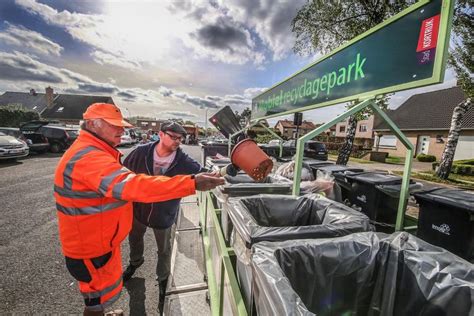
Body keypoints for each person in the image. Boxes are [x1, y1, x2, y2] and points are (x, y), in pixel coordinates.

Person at [53, 103, 224, 316]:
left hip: (105, 237)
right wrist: (190, 183)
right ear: (92, 124)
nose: (122, 131)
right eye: (114, 126)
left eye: (122, 126)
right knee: (94, 295)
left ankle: (157, 282)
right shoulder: (91, 158)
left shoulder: (96, 152)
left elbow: (199, 172)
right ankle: (123, 279)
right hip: (93, 245)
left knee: (97, 295)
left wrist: (219, 172)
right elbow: (132, 184)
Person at [121, 121, 204, 312]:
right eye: (173, 136)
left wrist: (226, 171)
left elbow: (202, 174)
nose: (177, 141)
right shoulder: (141, 152)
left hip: (164, 214)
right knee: (134, 238)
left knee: (164, 250)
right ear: (161, 134)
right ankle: (135, 262)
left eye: (180, 138)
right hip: (138, 210)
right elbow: (123, 171)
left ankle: (163, 281)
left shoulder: (183, 160)